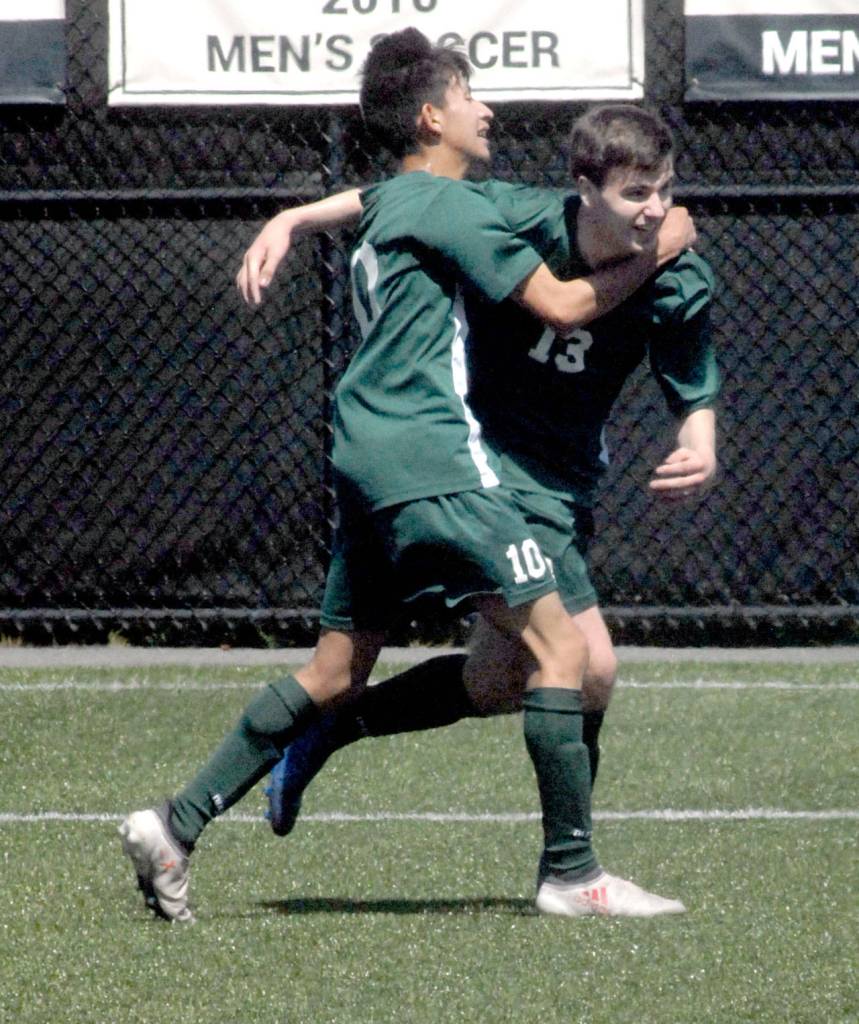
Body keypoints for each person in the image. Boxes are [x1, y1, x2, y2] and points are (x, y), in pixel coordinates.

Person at [121, 30, 694, 923]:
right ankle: (571, 875)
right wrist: (659, 248)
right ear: (432, 116)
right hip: (431, 452)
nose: (487, 107)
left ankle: (175, 823)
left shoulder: (402, 201)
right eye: (469, 92)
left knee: (334, 673)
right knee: (565, 652)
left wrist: (293, 215)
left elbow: (373, 197)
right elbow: (563, 302)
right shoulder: (449, 205)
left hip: (361, 454)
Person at [243, 104, 719, 870]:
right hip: (489, 473)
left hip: (564, 485)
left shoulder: (678, 272)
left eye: (664, 190)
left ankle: (333, 726)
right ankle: (573, 871)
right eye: (637, 192)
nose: (656, 209)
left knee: (494, 679)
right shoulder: (520, 215)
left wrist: (699, 436)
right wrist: (293, 219)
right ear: (584, 189)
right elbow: (384, 198)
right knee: (588, 666)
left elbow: (689, 373)